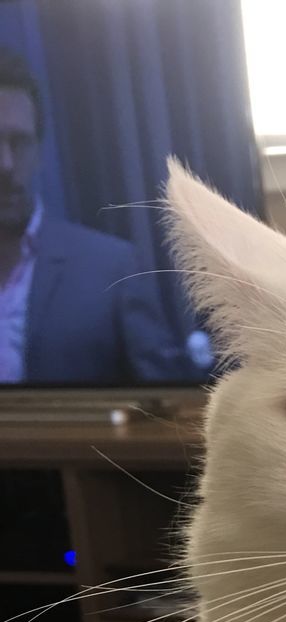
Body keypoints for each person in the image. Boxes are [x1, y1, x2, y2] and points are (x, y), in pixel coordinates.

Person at [0, 47, 192, 385]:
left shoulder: (111, 268)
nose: (6, 165)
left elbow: (167, 407)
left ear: (40, 152)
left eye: (19, 142)